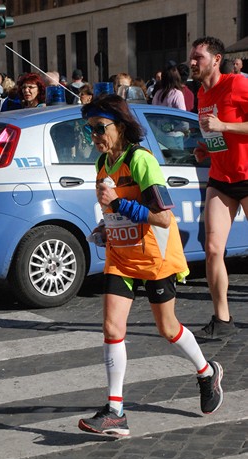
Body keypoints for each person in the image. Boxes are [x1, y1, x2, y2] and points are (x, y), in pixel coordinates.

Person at [77, 93, 223, 437]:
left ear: (121, 126)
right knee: (112, 329)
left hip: (155, 257)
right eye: (88, 130)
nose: (94, 136)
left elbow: (162, 218)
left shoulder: (141, 160)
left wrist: (119, 205)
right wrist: (105, 226)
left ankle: (206, 372)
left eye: (99, 128)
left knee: (167, 328)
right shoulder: (102, 165)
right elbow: (115, 210)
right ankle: (115, 411)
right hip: (121, 258)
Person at [189, 36, 248, 340]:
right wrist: (207, 150)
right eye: (192, 56)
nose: (192, 61)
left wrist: (224, 127)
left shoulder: (237, 83)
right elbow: (216, 136)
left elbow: (225, 126)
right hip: (221, 179)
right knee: (212, 250)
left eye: (198, 56)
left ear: (216, 59)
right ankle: (222, 320)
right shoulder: (201, 93)